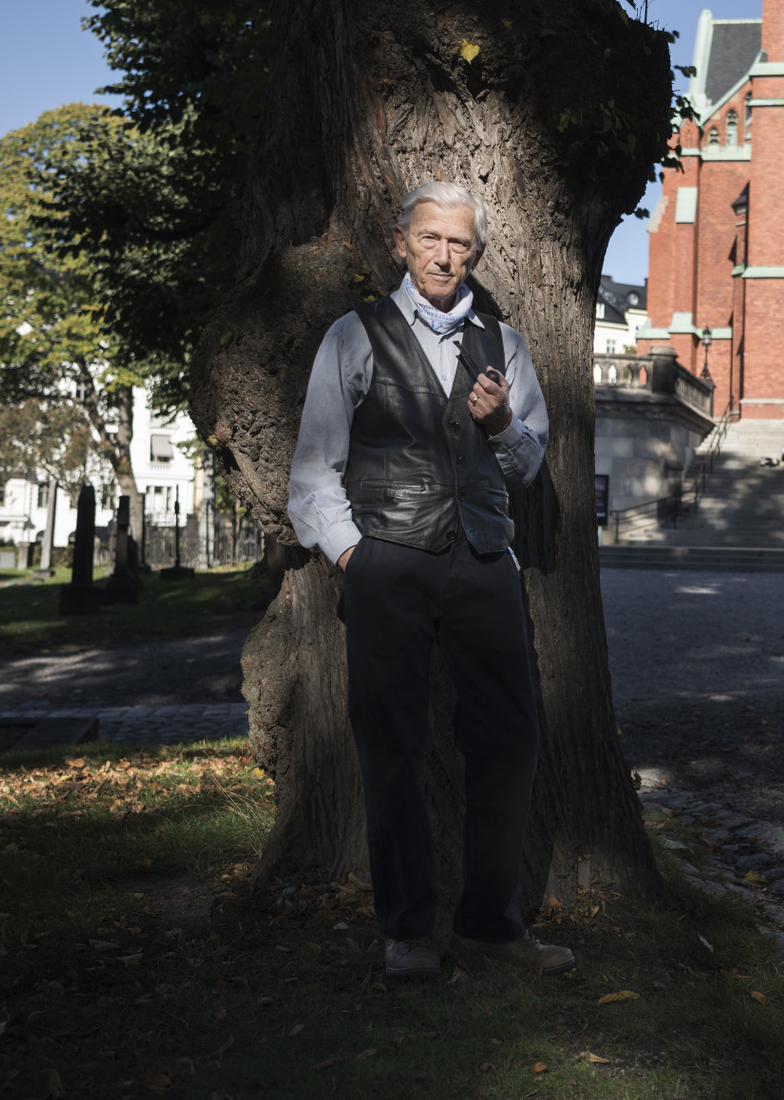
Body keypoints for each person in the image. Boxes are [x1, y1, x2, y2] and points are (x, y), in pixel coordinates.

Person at [287, 181, 573, 981]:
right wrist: (356, 556)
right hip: (388, 563)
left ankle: (489, 924)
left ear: (476, 253)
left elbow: (529, 465)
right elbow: (314, 468)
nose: (445, 255)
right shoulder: (356, 335)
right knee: (394, 748)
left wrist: (500, 425)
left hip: (484, 561)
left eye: (461, 244)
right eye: (431, 239)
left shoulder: (504, 343)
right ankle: (408, 932)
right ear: (402, 242)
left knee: (510, 741)